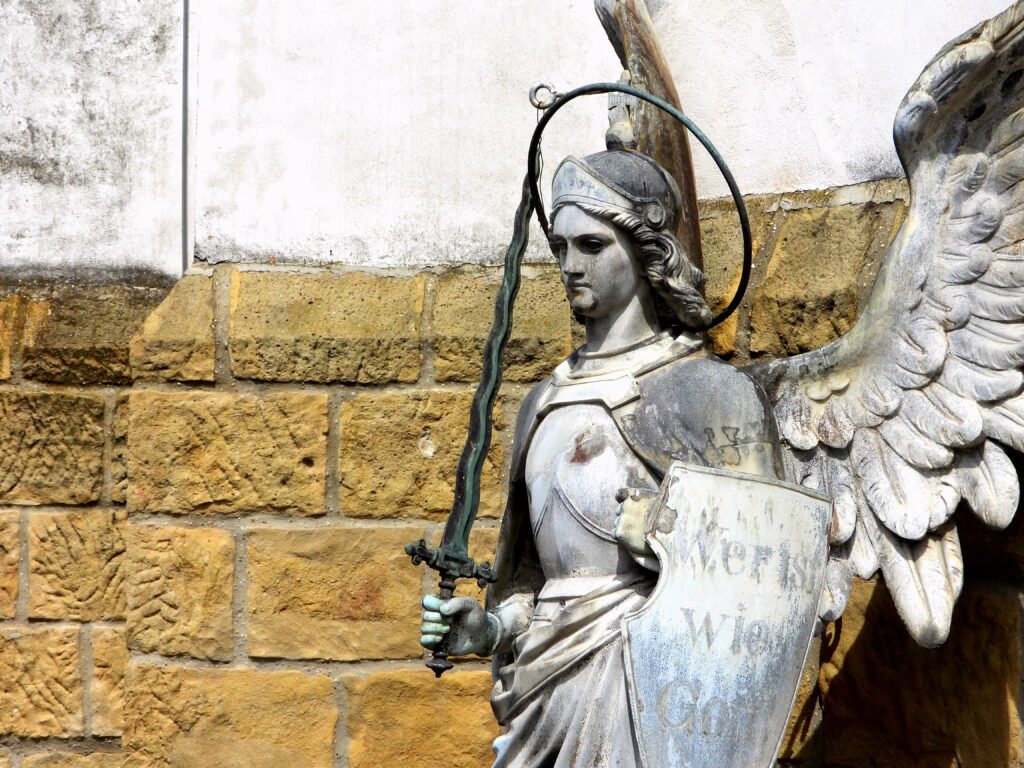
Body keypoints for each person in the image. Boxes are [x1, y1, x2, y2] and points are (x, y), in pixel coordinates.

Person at [420, 149, 781, 767]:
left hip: (650, 684)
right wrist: (493, 629)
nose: (570, 265)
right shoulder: (542, 401)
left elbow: (767, 570)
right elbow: (533, 576)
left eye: (592, 245)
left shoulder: (708, 393)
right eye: (561, 247)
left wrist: (666, 542)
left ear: (646, 251)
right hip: (544, 685)